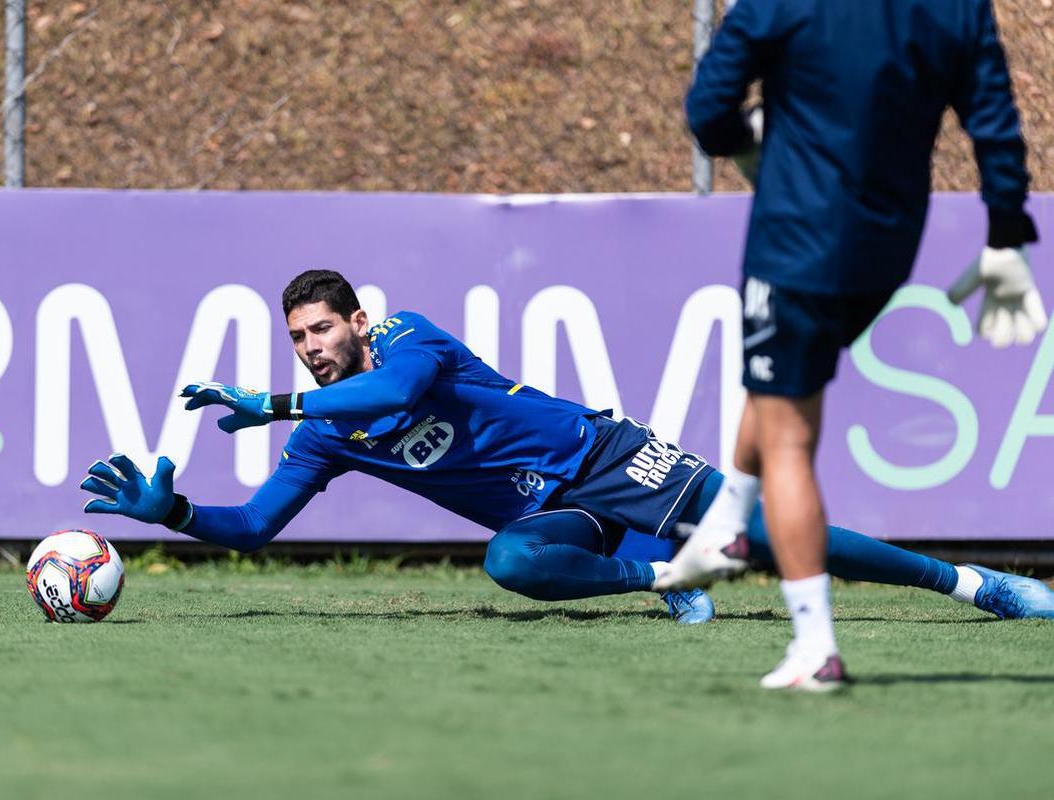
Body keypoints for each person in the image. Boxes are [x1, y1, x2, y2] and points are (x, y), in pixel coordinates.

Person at [79, 270, 1054, 643]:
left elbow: (390, 394)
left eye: (323, 328)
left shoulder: (409, 338)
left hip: (607, 456)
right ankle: (665, 574)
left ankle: (978, 585)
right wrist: (175, 514)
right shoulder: (321, 432)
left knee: (775, 536)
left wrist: (280, 397)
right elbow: (252, 526)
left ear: (357, 320)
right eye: (299, 337)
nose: (313, 344)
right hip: (555, 514)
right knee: (511, 561)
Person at [656, 0, 1047, 690]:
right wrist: (1005, 231)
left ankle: (816, 649)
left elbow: (707, 109)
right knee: (781, 388)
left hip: (795, 241)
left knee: (786, 435)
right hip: (886, 246)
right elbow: (992, 120)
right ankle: (723, 526)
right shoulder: (958, 7)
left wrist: (748, 141)